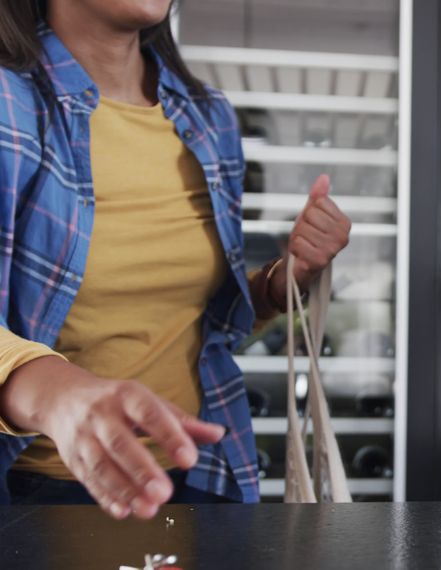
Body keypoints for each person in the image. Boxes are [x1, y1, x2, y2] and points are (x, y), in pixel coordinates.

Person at [0, 0, 351, 518]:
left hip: (206, 475)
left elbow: (207, 326)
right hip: (39, 490)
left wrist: (283, 283)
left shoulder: (207, 117)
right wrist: (56, 394)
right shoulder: (10, 106)